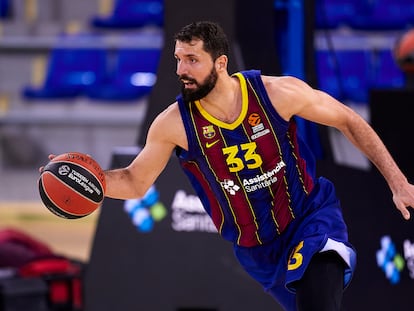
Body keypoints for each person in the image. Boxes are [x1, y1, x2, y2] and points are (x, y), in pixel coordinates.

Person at [43, 21, 414, 310]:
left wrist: (398, 182)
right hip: (258, 249)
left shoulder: (276, 93)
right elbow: (136, 183)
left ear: (220, 63)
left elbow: (348, 120)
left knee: (319, 293)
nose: (181, 70)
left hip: (309, 217)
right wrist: (88, 180)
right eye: (178, 59)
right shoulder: (174, 123)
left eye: (192, 60)